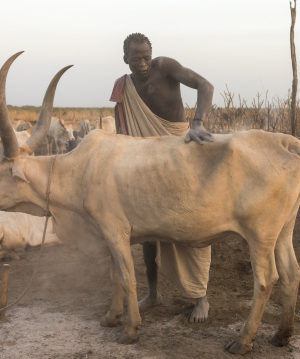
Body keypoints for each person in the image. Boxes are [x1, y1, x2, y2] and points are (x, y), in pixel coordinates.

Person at [110, 33, 214, 323]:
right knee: (145, 229)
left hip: (180, 154)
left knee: (190, 222)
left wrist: (198, 123)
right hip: (145, 161)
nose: (142, 64)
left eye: (145, 57)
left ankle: (201, 297)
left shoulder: (166, 66)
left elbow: (205, 85)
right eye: (135, 59)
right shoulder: (123, 87)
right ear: (125, 60)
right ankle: (153, 293)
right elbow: (121, 130)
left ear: (152, 54)